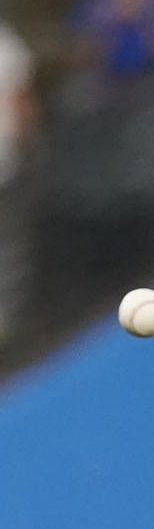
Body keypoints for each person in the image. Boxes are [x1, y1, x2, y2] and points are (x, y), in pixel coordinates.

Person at [0, 17, 39, 349]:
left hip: (3, 167)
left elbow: (21, 101)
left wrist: (30, 148)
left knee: (7, 251)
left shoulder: (5, 44)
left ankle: (6, 336)